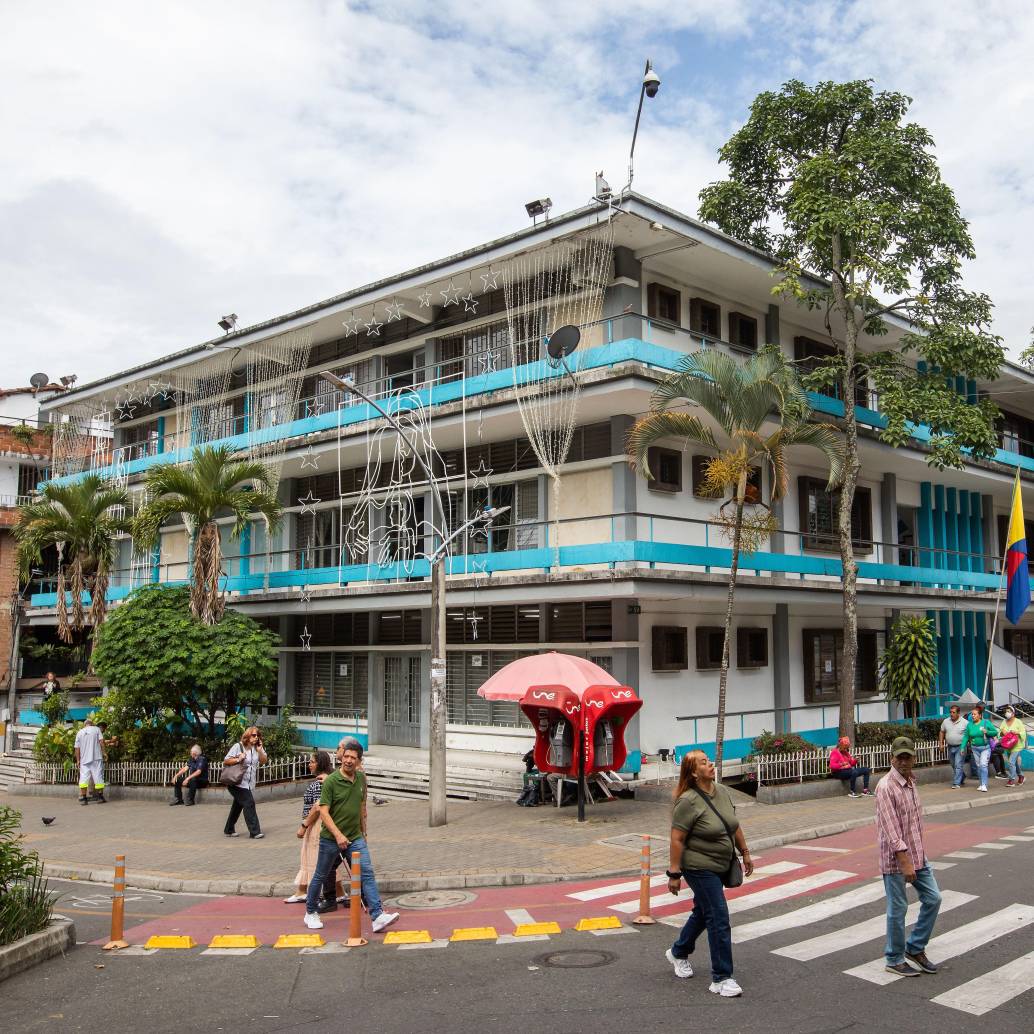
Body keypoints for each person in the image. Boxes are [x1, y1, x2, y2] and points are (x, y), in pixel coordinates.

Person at [664, 750, 755, 998]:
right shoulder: (688, 801)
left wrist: (745, 851)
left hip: (721, 863)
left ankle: (678, 952)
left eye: (709, 761)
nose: (710, 765)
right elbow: (676, 838)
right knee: (718, 915)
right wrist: (674, 873)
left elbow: (732, 824)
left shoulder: (722, 791)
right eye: (704, 763)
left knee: (704, 912)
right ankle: (722, 978)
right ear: (694, 772)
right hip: (698, 866)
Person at [303, 738, 399, 934]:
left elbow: (362, 808)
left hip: (355, 838)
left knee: (367, 872)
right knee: (320, 875)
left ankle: (377, 915)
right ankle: (310, 912)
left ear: (359, 761)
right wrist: (338, 835)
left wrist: (364, 834)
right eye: (345, 756)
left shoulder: (362, 779)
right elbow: (324, 812)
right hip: (331, 839)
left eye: (352, 758)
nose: (348, 760)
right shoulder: (331, 781)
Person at [875, 736, 942, 977]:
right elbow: (891, 831)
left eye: (908, 757)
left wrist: (918, 858)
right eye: (899, 757)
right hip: (896, 860)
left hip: (918, 855)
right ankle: (894, 958)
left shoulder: (911, 782)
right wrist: (905, 862)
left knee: (933, 899)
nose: (904, 761)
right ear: (892, 758)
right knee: (898, 908)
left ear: (914, 757)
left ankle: (914, 947)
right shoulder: (885, 787)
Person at [285, 749, 344, 905]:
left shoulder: (320, 783)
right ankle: (337, 892)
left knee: (313, 859)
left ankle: (305, 892)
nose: (309, 765)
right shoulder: (331, 779)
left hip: (317, 825)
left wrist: (304, 825)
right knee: (321, 860)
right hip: (325, 823)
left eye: (312, 761)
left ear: (320, 764)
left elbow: (318, 807)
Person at [222, 726, 266, 838]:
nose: (256, 737)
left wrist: (260, 751)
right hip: (236, 782)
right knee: (249, 802)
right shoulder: (238, 746)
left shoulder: (257, 748)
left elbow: (264, 761)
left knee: (238, 806)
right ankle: (255, 832)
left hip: (249, 784)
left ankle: (229, 829)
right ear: (247, 736)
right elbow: (226, 760)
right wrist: (238, 759)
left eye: (257, 735)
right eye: (253, 735)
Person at [960, 706, 999, 792]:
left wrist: (987, 732)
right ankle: (981, 784)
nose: (973, 716)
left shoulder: (986, 722)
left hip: (985, 748)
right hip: (975, 748)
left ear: (980, 715)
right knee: (978, 766)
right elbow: (966, 737)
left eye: (975, 714)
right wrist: (962, 747)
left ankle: (984, 784)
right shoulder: (969, 725)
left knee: (983, 765)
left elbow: (995, 732)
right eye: (972, 714)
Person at [73, 715, 106, 805]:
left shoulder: (79, 732)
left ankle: (84, 799)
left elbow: (77, 748)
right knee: (98, 777)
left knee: (83, 779)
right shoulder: (96, 729)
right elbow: (101, 742)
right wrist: (104, 753)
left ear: (85, 725)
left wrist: (78, 760)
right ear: (92, 724)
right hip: (96, 758)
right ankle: (100, 797)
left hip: (84, 760)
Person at [939, 704, 968, 788]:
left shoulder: (965, 723)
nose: (951, 714)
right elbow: (941, 731)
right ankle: (962, 777)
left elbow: (969, 734)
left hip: (961, 747)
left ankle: (956, 783)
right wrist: (940, 744)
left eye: (953, 712)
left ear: (958, 713)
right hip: (950, 746)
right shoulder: (946, 721)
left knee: (958, 764)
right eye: (950, 712)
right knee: (953, 764)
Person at [998, 706, 1028, 787]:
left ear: (1013, 713)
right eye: (1005, 712)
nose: (1006, 713)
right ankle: (1021, 776)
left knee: (1011, 762)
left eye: (1008, 711)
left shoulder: (1018, 722)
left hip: (1017, 746)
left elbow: (1023, 733)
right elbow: (1000, 732)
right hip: (1008, 746)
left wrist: (1017, 732)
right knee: (1014, 763)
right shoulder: (1004, 721)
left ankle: (1011, 780)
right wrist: (1002, 732)